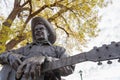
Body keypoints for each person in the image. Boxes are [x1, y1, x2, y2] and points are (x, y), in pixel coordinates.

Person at [0, 17, 75, 80]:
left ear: (48, 33)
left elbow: (69, 67)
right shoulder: (24, 49)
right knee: (7, 67)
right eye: (36, 30)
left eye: (41, 29)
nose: (38, 31)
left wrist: (46, 60)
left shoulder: (58, 49)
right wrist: (9, 56)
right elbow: (2, 55)